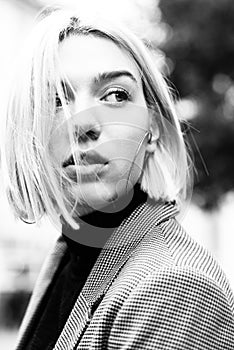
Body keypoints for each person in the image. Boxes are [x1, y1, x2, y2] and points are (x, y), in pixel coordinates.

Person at [2, 6, 234, 350]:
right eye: (54, 100)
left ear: (152, 127)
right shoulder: (73, 255)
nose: (82, 123)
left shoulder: (173, 287)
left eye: (116, 95)